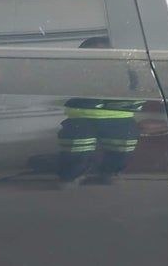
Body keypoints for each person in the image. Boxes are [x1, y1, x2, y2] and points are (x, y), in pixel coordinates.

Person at [57, 36, 144, 185]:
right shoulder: (77, 70)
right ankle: (71, 176)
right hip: (81, 117)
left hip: (120, 117)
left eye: (105, 52)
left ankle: (111, 172)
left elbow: (136, 89)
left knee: (122, 148)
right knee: (76, 150)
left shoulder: (127, 69)